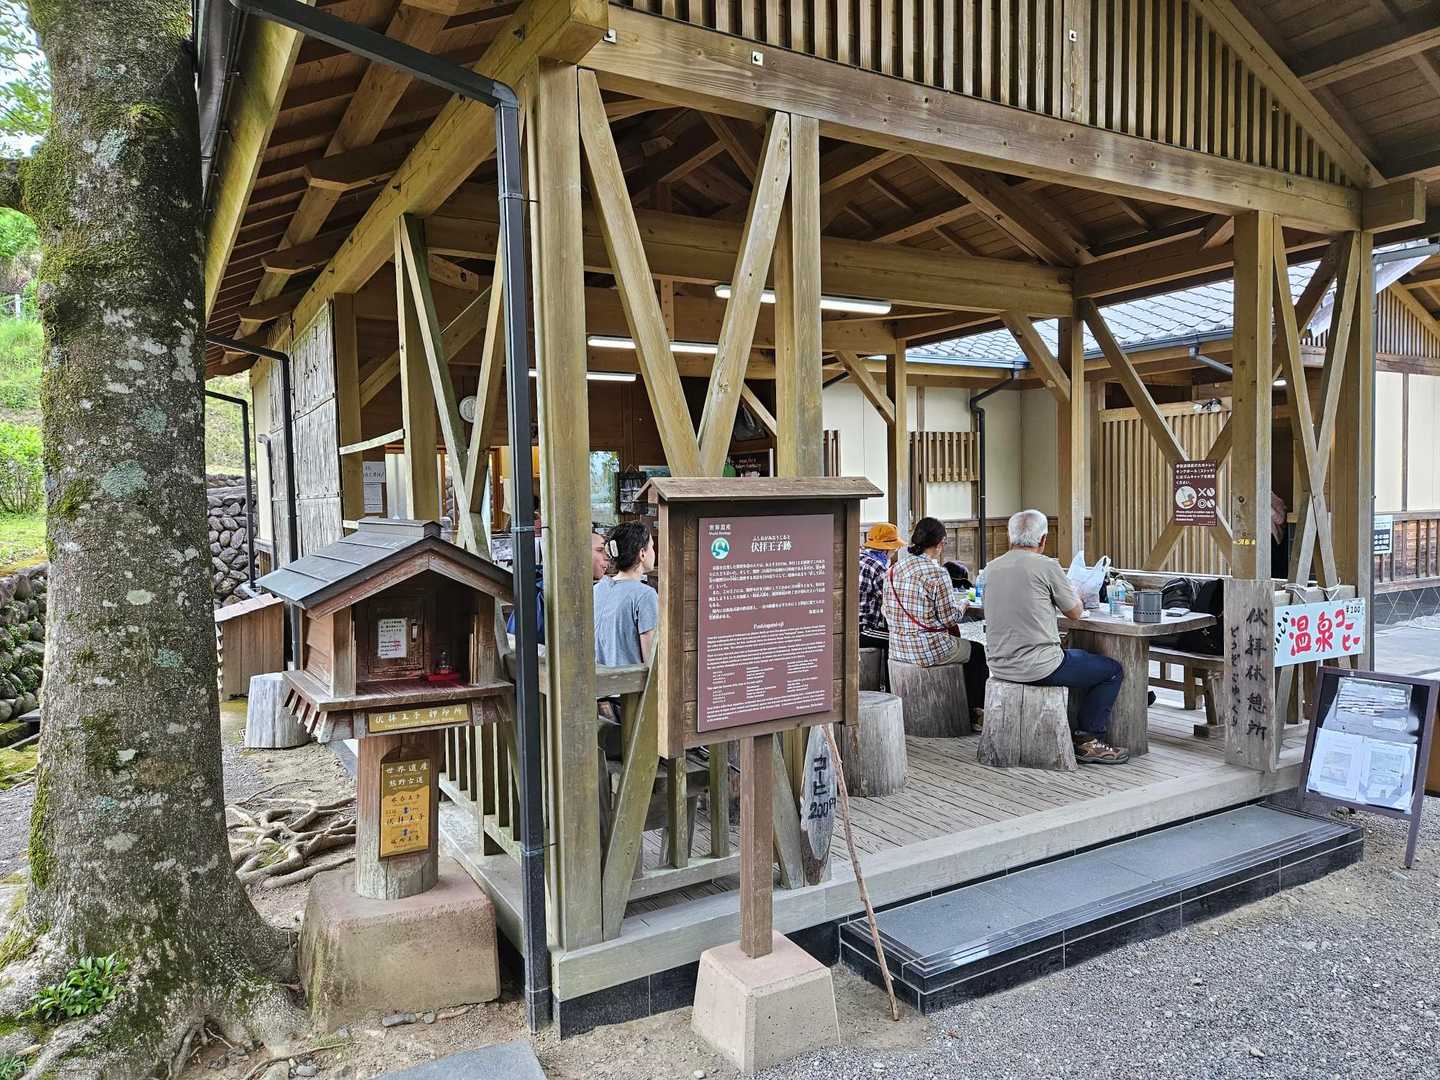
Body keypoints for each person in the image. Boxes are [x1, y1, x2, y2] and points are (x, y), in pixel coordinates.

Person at [983, 509, 1129, 765]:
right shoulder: (1047, 566)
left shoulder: (991, 568)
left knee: (1079, 657)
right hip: (1040, 666)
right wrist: (1075, 593)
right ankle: (1089, 739)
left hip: (999, 664)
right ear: (1043, 539)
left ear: (1010, 537)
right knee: (1112, 670)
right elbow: (1075, 612)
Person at [883, 517, 969, 669]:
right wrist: (963, 605)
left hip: (897, 649)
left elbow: (885, 610)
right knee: (978, 651)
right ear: (940, 543)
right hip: (928, 650)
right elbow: (949, 619)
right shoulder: (938, 573)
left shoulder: (892, 570)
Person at [508, 525, 610, 644]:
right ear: (578, 552)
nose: (607, 557)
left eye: (607, 552)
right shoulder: (553, 593)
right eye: (600, 550)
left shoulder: (552, 584)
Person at [594, 521, 659, 667]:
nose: (654, 552)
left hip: (598, 679)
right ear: (642, 554)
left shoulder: (597, 589)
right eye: (652, 546)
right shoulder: (645, 595)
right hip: (628, 681)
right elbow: (651, 661)